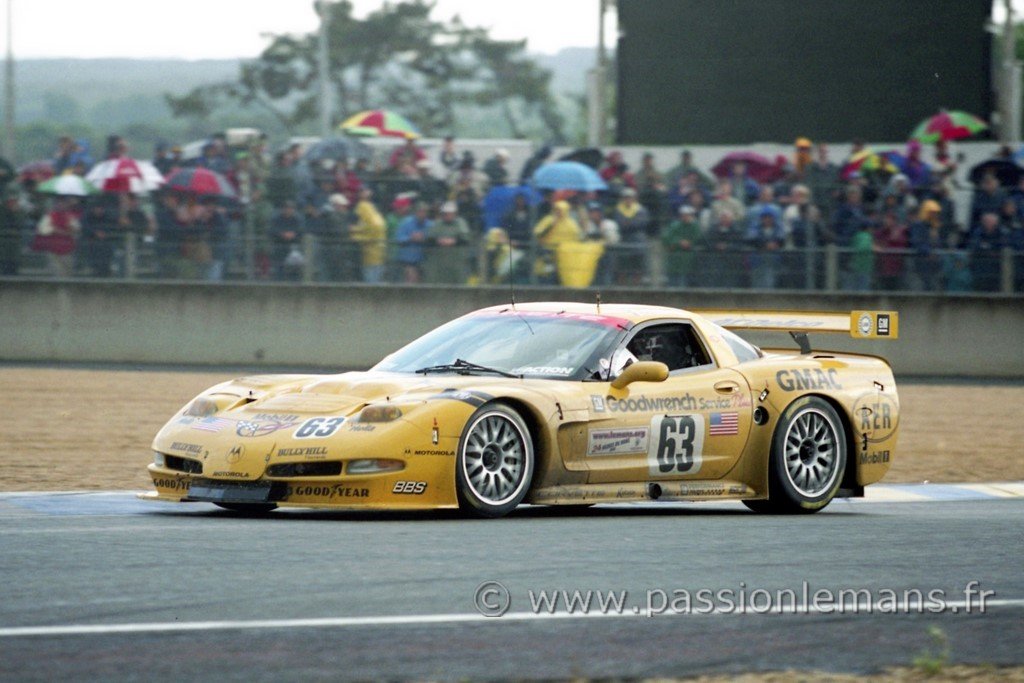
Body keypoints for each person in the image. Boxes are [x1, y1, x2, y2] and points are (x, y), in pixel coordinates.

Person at [532, 200, 581, 284]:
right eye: (556, 210)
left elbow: (577, 238)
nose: (558, 212)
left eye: (560, 210)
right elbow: (537, 233)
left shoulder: (571, 224)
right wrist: (551, 225)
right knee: (545, 273)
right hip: (547, 251)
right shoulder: (548, 220)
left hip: (565, 254)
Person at [32, 196, 82, 277]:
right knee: (57, 271)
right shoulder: (49, 216)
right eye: (59, 203)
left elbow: (77, 228)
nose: (61, 205)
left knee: (68, 271)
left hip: (67, 247)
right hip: (53, 247)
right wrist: (54, 230)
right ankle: (59, 289)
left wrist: (71, 229)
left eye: (63, 204)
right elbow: (42, 229)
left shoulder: (70, 216)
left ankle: (66, 289)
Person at [908, 200, 947, 292]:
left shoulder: (936, 226)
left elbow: (939, 243)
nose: (935, 215)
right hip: (922, 262)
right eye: (932, 213)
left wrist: (937, 253)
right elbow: (916, 242)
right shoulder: (918, 225)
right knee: (923, 287)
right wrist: (928, 252)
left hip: (935, 264)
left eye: (936, 213)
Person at [350, 189, 387, 284]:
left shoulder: (369, 216)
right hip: (379, 253)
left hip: (370, 255)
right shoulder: (376, 216)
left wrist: (354, 234)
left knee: (370, 281)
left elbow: (368, 234)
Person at [702, 209, 744, 288]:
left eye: (727, 218)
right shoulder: (713, 229)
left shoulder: (737, 229)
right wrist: (716, 246)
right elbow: (707, 242)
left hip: (732, 260)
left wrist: (728, 246)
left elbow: (739, 244)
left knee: (730, 279)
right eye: (723, 217)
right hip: (715, 259)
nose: (725, 220)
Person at [661, 204, 701, 288]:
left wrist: (689, 244)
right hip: (674, 260)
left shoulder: (695, 226)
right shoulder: (674, 225)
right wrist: (679, 242)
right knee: (672, 282)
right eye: (683, 215)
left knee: (686, 283)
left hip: (689, 260)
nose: (685, 217)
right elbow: (666, 238)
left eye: (688, 215)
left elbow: (698, 240)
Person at [747, 207, 785, 289]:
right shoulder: (755, 227)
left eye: (770, 217)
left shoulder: (778, 227)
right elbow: (751, 239)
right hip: (758, 258)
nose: (767, 219)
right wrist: (765, 245)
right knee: (757, 281)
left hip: (773, 258)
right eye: (765, 217)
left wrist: (774, 244)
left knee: (772, 280)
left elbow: (781, 239)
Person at [967, 212, 1006, 292]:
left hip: (995, 269)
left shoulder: (1001, 233)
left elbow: (1001, 248)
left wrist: (987, 249)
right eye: (987, 221)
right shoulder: (977, 233)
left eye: (991, 222)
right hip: (980, 268)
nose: (988, 223)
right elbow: (975, 247)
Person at [394, 202, 431, 284]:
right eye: (420, 211)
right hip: (408, 260)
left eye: (425, 212)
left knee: (423, 283)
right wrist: (411, 238)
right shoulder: (405, 223)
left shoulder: (430, 224)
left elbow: (433, 240)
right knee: (411, 281)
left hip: (424, 260)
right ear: (416, 212)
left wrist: (424, 238)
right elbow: (399, 238)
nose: (422, 214)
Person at [271, 200, 305, 281]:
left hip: (294, 246)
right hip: (279, 245)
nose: (288, 210)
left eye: (290, 208)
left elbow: (301, 231)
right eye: (286, 208)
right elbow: (271, 230)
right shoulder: (276, 218)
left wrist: (293, 234)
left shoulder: (297, 218)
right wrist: (282, 234)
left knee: (296, 267)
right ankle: (278, 285)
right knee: (279, 268)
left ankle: (295, 285)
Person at [875, 211, 908, 291]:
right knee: (884, 287)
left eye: (891, 219)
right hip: (883, 265)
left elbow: (902, 245)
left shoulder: (900, 232)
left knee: (896, 288)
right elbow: (877, 242)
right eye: (887, 219)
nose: (888, 221)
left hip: (897, 265)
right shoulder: (881, 232)